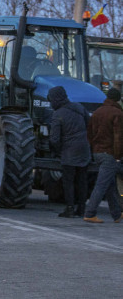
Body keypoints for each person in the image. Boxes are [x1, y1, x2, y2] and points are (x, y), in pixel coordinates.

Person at [48, 86, 91, 218]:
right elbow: (89, 125)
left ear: (55, 99)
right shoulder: (79, 107)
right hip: (84, 149)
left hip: (69, 152)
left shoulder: (57, 114)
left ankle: (70, 208)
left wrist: (56, 151)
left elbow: (54, 139)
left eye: (51, 101)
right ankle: (82, 208)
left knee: (69, 181)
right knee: (82, 181)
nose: (50, 104)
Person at [83, 87, 123, 223]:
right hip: (109, 153)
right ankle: (90, 213)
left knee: (109, 185)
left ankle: (117, 214)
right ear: (118, 99)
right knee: (101, 185)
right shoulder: (117, 113)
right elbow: (119, 138)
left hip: (97, 153)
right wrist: (118, 156)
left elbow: (89, 133)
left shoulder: (97, 112)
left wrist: (94, 149)